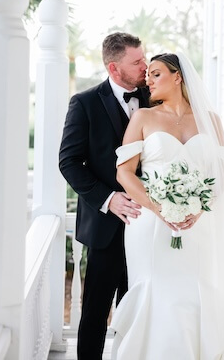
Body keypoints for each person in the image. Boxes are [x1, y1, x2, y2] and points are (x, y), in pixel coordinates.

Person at [110, 52, 224, 360]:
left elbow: (220, 174)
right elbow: (124, 172)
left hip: (198, 223)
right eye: (147, 75)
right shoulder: (143, 118)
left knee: (198, 291)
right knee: (161, 294)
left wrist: (201, 208)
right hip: (152, 224)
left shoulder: (210, 120)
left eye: (155, 74)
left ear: (177, 76)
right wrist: (157, 207)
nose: (147, 80)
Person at [59, 32, 150, 360]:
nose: (145, 66)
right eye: (137, 61)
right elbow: (68, 162)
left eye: (145, 57)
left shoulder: (154, 97)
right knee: (95, 314)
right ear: (114, 68)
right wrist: (108, 199)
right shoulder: (84, 103)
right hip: (104, 228)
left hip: (147, 226)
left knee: (140, 311)